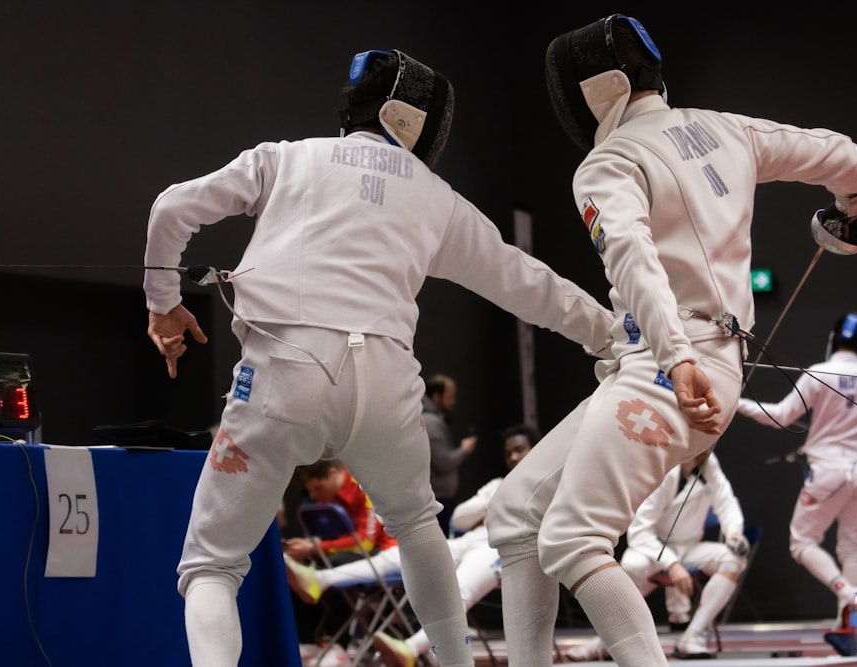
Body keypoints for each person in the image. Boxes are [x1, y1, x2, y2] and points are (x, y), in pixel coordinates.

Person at [143, 47, 615, 667]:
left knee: (212, 565)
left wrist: (163, 302)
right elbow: (526, 281)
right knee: (418, 525)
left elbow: (171, 208)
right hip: (388, 386)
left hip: (284, 370)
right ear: (426, 125)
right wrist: (611, 336)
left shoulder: (288, 158)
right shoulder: (436, 197)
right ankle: (451, 661)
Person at [485, 13, 857, 667]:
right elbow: (840, 154)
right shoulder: (727, 129)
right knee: (516, 512)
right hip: (693, 363)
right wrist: (856, 211)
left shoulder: (608, 160)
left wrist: (676, 356)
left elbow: (633, 258)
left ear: (594, 90)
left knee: (574, 538)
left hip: (674, 367)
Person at [284, 424, 541, 667]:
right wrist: (501, 497)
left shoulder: (548, 486)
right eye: (509, 453)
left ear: (538, 449)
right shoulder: (499, 485)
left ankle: (410, 648)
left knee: (457, 588)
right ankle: (321, 579)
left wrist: (504, 503)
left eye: (520, 450)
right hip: (470, 541)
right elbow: (460, 517)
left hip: (512, 548)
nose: (514, 458)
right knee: (400, 554)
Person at [736, 312, 857, 624]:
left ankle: (847, 592)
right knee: (852, 549)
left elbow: (779, 415)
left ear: (833, 339)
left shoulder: (819, 372)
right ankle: (853, 621)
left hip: (827, 472)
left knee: (802, 542)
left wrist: (735, 403)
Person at [567, 450, 749, 660]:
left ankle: (693, 637)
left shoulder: (709, 461)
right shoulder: (665, 466)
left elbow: (726, 500)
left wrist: (734, 532)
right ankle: (606, 642)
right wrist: (672, 564)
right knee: (632, 565)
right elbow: (639, 532)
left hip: (689, 547)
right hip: (652, 548)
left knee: (733, 559)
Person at [284, 459, 397, 566]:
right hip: (361, 552)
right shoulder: (329, 496)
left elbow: (366, 542)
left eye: (318, 488)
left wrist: (315, 548)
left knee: (334, 561)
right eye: (310, 491)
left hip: (387, 550)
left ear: (333, 473)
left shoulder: (363, 487)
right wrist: (307, 546)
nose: (313, 495)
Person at [422, 374, 478, 534]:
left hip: (438, 499)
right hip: (439, 501)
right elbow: (443, 463)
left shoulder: (431, 420)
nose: (453, 402)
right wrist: (464, 450)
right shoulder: (431, 422)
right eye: (450, 397)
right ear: (436, 397)